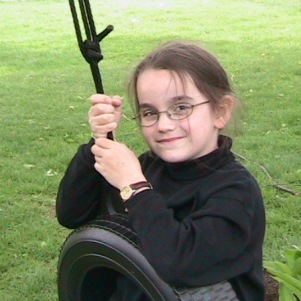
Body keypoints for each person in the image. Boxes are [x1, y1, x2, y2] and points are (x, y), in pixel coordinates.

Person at [56, 40, 266, 301]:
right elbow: (72, 214)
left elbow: (181, 265)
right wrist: (99, 143)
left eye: (181, 108)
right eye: (149, 112)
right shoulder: (146, 167)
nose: (163, 124)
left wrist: (135, 187)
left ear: (220, 112)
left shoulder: (235, 191)